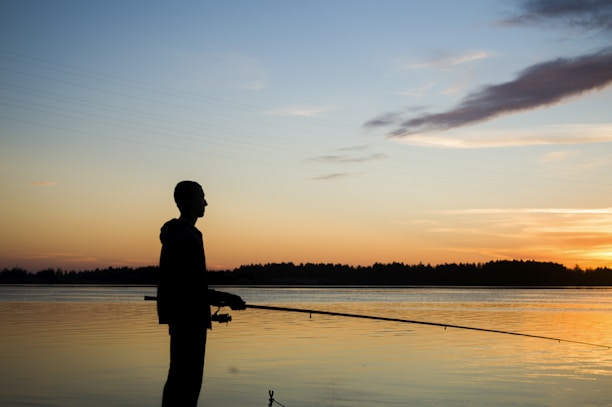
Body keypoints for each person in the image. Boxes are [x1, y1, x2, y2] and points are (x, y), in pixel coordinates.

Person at [157, 180, 245, 407]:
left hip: (182, 319)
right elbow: (191, 288)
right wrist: (228, 298)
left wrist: (218, 303)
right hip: (189, 322)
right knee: (187, 383)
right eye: (201, 197)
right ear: (188, 201)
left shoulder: (176, 234)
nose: (206, 202)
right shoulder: (187, 237)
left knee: (177, 378)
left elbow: (189, 288)